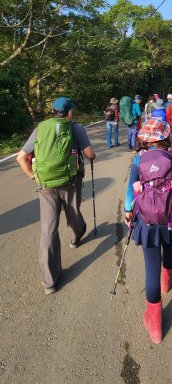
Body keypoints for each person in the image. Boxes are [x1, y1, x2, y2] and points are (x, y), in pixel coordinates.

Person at [16, 97, 96, 294]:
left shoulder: (41, 128)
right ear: (69, 113)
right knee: (73, 213)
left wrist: (34, 176)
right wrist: (91, 157)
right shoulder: (76, 128)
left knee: (48, 229)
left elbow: (21, 157)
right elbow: (89, 154)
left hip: (45, 185)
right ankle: (77, 237)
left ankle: (49, 282)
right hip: (70, 181)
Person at [124, 118, 172, 343]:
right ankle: (167, 280)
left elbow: (131, 191)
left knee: (151, 265)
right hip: (170, 216)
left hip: (147, 220)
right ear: (165, 135)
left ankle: (155, 326)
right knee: (168, 246)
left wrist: (127, 211)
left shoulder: (139, 158)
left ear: (145, 138)